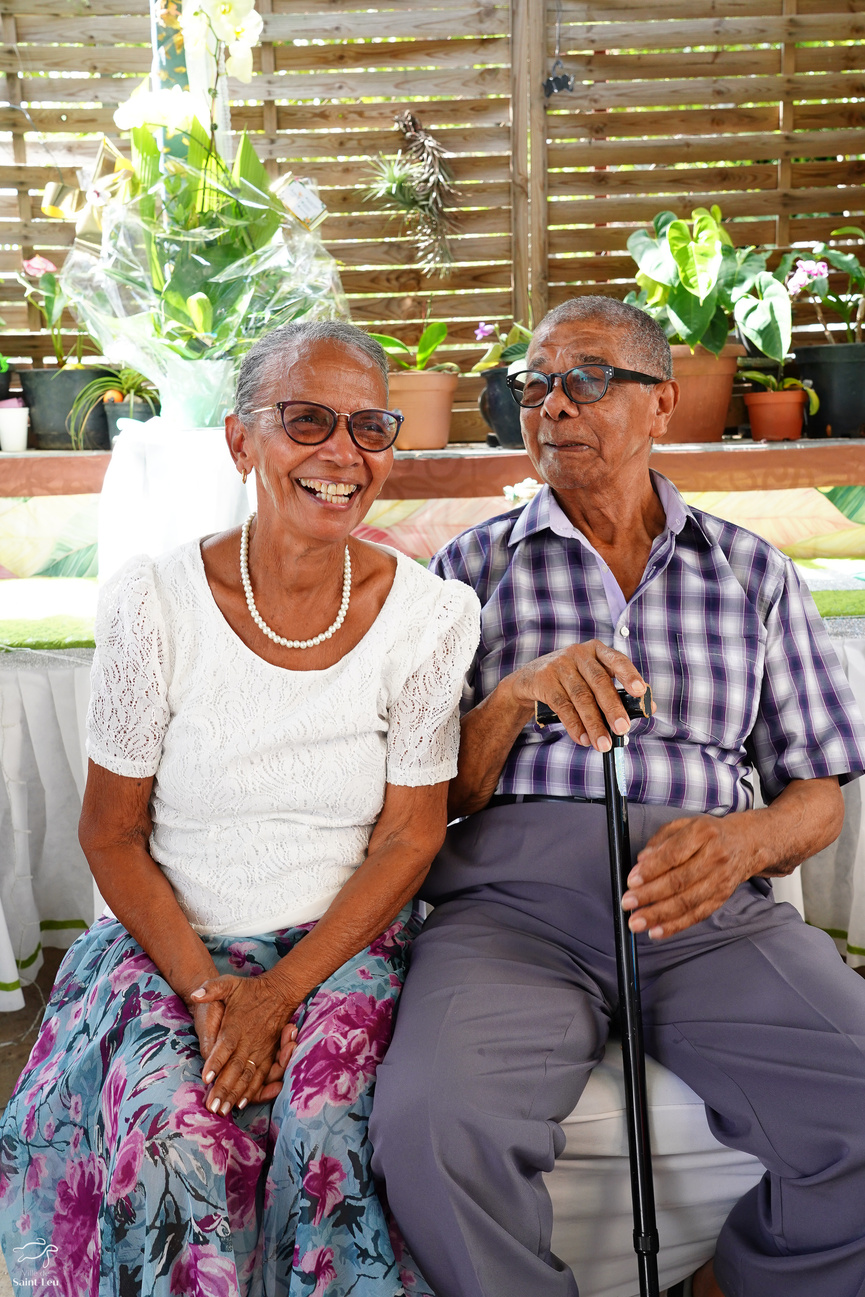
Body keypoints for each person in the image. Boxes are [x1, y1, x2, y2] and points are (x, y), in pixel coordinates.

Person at [370, 297, 865, 1297]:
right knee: (428, 1122)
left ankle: (733, 1279)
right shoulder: (463, 575)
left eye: (585, 378)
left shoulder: (755, 575)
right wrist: (517, 694)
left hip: (705, 903)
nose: (551, 405)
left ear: (662, 406)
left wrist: (736, 845)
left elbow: (818, 799)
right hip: (510, 909)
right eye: (532, 385)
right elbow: (432, 799)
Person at [0, 319, 480, 1297]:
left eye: (369, 428)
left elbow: (409, 833)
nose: (342, 454)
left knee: (328, 1119)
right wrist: (208, 993)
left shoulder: (431, 617)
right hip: (170, 938)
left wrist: (279, 992)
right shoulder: (154, 602)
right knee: (171, 1117)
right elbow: (111, 830)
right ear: (240, 441)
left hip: (342, 940)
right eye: (307, 421)